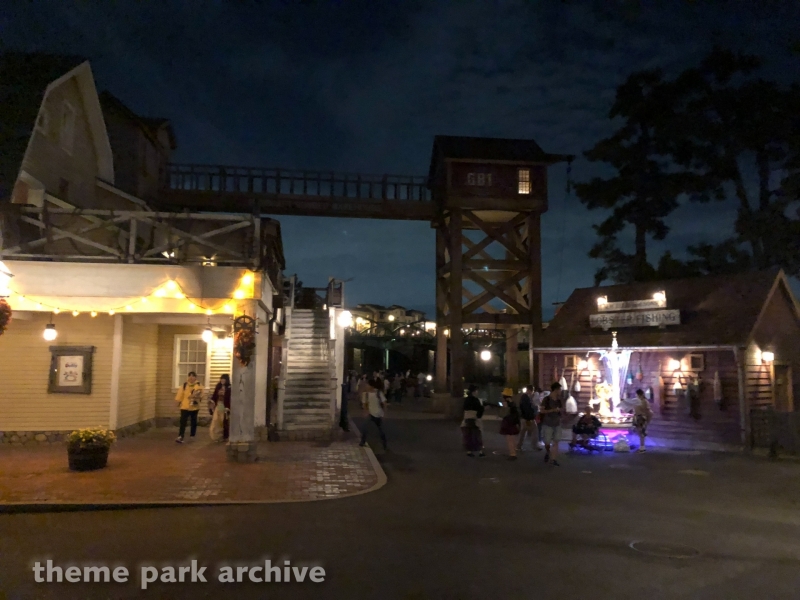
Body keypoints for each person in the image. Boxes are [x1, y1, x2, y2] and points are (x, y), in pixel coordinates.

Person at [175, 371, 204, 443]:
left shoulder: (199, 385)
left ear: (195, 377)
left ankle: (192, 435)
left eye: (193, 376)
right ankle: (181, 435)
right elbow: (180, 394)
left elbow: (201, 395)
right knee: (183, 421)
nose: (191, 378)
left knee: (193, 421)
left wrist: (196, 396)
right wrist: (178, 401)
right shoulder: (184, 385)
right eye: (190, 376)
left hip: (194, 406)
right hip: (185, 406)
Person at [359, 378, 388, 451]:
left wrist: (384, 413)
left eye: (367, 384)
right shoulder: (365, 394)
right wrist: (365, 411)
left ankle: (384, 443)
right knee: (364, 427)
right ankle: (362, 441)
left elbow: (384, 403)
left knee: (381, 430)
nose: (366, 386)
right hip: (370, 414)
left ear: (371, 386)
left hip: (378, 413)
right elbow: (364, 404)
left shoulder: (378, 393)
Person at [540, 381, 563, 466]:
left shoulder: (559, 400)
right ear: (556, 390)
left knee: (556, 441)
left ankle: (553, 459)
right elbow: (542, 410)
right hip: (548, 423)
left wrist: (560, 412)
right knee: (547, 442)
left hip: (557, 423)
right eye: (560, 389)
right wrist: (552, 410)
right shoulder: (546, 399)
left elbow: (561, 409)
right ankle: (547, 451)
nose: (560, 391)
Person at [461, 384, 487, 457]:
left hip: (467, 419)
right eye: (476, 391)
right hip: (475, 419)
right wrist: (482, 408)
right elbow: (479, 411)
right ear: (474, 391)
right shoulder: (476, 400)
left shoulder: (466, 400)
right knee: (477, 435)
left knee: (468, 435)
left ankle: (469, 451)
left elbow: (463, 409)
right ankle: (480, 451)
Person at [499, 388, 521, 460]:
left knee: (509, 439)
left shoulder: (506, 403)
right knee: (513, 438)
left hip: (508, 422)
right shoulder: (513, 403)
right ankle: (514, 452)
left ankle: (512, 454)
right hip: (514, 422)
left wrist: (502, 408)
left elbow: (503, 413)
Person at [517, 387, 541, 452]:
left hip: (524, 418)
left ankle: (519, 446)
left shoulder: (524, 398)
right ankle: (534, 445)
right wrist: (530, 417)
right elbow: (527, 409)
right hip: (528, 418)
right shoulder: (526, 398)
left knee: (523, 432)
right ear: (529, 390)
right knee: (535, 430)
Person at [210, 374, 231, 441]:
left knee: (223, 421)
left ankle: (224, 436)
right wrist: (212, 402)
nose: (222, 380)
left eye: (224, 379)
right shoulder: (218, 386)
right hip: (218, 405)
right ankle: (215, 435)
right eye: (221, 379)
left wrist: (228, 407)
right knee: (215, 420)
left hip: (224, 406)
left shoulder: (229, 387)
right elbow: (214, 396)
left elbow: (230, 398)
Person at [633, 388, 654, 452]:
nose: (636, 396)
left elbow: (648, 411)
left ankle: (642, 447)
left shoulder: (644, 401)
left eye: (637, 395)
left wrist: (647, 420)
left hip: (642, 418)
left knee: (641, 432)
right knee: (639, 432)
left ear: (640, 395)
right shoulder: (637, 401)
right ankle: (641, 446)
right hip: (638, 417)